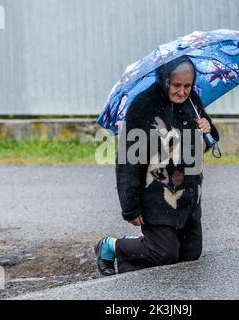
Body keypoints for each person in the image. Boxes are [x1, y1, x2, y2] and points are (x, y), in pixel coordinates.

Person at [94, 56, 220, 276]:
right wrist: (130, 207)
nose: (182, 92)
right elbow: (128, 160)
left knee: (190, 254)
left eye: (187, 86)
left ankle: (140, 248)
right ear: (164, 81)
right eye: (177, 85)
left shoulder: (193, 102)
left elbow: (205, 146)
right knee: (164, 254)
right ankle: (112, 245)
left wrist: (208, 130)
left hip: (189, 197)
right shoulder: (144, 106)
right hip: (157, 197)